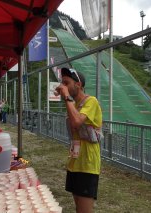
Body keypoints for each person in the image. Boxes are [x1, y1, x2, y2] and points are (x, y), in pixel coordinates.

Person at [55, 67, 102, 213]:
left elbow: (76, 122)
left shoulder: (91, 101)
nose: (63, 87)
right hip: (75, 162)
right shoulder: (73, 104)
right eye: (62, 83)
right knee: (78, 207)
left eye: (66, 83)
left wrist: (67, 96)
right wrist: (67, 99)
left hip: (87, 164)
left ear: (78, 85)